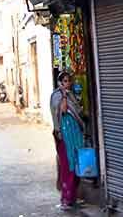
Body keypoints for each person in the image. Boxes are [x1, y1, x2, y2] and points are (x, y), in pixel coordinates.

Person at [50, 71, 86, 210]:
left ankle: (72, 198)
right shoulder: (56, 96)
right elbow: (63, 110)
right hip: (64, 136)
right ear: (59, 83)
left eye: (68, 80)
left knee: (76, 164)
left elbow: (78, 110)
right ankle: (65, 199)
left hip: (74, 134)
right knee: (67, 166)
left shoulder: (71, 95)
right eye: (64, 81)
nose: (67, 83)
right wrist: (64, 94)